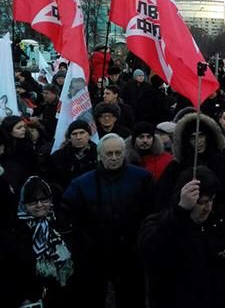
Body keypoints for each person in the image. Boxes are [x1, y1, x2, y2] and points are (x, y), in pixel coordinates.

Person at [61, 133, 155, 308]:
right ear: (100, 156)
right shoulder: (81, 184)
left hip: (130, 252)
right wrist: (84, 243)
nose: (114, 158)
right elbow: (68, 215)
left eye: (118, 153)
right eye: (109, 154)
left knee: (132, 298)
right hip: (95, 253)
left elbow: (152, 212)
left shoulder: (142, 178)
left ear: (124, 152)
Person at [138, 167, 225, 308]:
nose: (207, 208)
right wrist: (179, 212)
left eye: (211, 200)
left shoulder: (220, 219)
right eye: (201, 202)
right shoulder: (161, 221)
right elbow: (150, 252)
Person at [0, 176, 74, 308]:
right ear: (24, 203)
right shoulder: (13, 231)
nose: (40, 205)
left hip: (62, 296)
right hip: (28, 300)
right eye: (33, 201)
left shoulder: (61, 224)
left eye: (44, 199)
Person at [49, 120, 98, 190]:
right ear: (69, 138)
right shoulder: (57, 157)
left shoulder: (100, 155)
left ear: (89, 135)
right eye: (74, 134)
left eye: (82, 133)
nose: (78, 137)